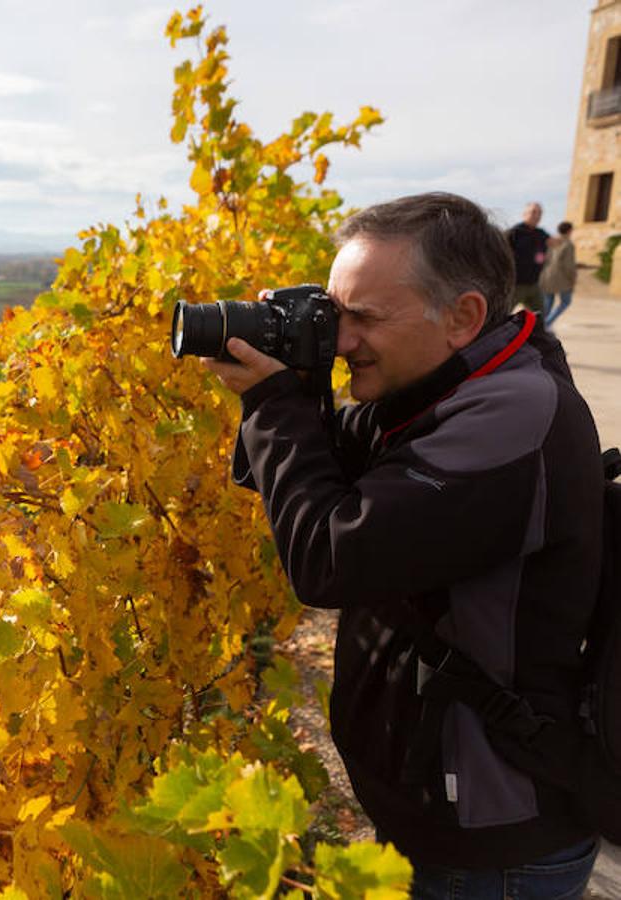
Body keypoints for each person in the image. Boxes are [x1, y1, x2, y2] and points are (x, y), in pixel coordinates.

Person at [205, 192, 602, 899]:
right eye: (333, 312)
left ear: (463, 317)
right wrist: (296, 378)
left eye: (364, 317)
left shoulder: (511, 417)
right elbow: (314, 465)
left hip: (493, 849)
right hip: (449, 818)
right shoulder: (453, 386)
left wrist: (274, 405)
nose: (344, 337)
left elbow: (328, 556)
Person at [505, 202, 552, 313]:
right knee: (501, 317)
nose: (536, 215)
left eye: (539, 213)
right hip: (516, 286)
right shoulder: (514, 233)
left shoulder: (541, 234)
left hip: (534, 285)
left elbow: (551, 247)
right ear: (524, 214)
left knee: (540, 316)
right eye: (533, 212)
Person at [540, 221, 577, 329]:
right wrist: (573, 278)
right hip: (562, 278)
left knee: (547, 303)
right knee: (566, 302)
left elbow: (541, 258)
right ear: (570, 231)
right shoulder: (568, 244)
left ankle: (541, 325)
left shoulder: (550, 241)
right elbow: (568, 265)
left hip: (546, 275)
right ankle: (546, 324)